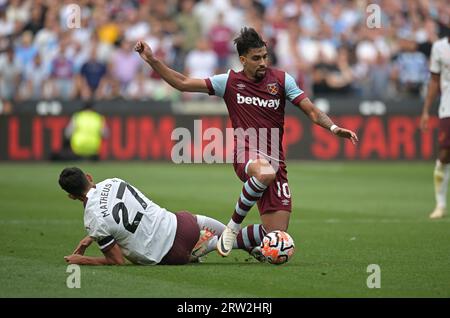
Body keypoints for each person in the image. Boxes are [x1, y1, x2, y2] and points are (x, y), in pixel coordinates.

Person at [134, 27, 358, 257]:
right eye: (256, 58)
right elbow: (182, 82)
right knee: (265, 173)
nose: (262, 62)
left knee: (275, 233)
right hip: (246, 152)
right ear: (243, 60)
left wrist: (332, 127)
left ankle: (211, 243)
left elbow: (310, 110)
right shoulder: (229, 82)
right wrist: (152, 60)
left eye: (264, 56)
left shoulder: (281, 80)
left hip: (275, 159)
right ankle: (232, 227)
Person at [59, 167, 268, 265]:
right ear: (89, 177)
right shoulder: (113, 181)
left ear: (70, 196)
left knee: (204, 248)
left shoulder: (93, 221)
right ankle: (258, 247)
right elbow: (117, 209)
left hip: (170, 254)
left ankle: (211, 245)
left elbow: (117, 261)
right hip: (183, 223)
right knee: (226, 230)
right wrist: (93, 236)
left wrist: (82, 259)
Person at [420, 34, 450, 219]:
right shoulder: (439, 47)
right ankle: (440, 203)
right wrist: (425, 111)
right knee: (445, 153)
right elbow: (434, 81)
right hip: (448, 107)